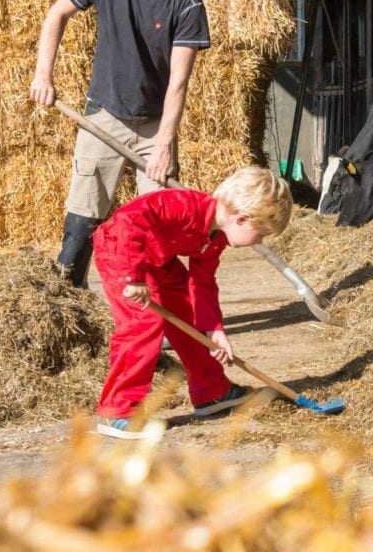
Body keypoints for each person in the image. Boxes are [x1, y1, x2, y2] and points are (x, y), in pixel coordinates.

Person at [29, 0, 209, 288]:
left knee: (160, 226)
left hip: (153, 128)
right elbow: (55, 15)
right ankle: (67, 300)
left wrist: (164, 145)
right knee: (84, 212)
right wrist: (44, 74)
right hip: (104, 115)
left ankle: (160, 317)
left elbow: (178, 83)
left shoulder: (188, 4)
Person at [92, 166, 293, 439]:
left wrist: (215, 330)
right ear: (243, 219)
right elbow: (128, 220)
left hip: (159, 261)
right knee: (143, 324)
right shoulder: (182, 205)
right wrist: (134, 277)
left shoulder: (216, 237)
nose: (260, 240)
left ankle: (212, 392)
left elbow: (203, 282)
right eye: (262, 234)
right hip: (121, 252)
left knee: (186, 314)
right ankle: (117, 410)